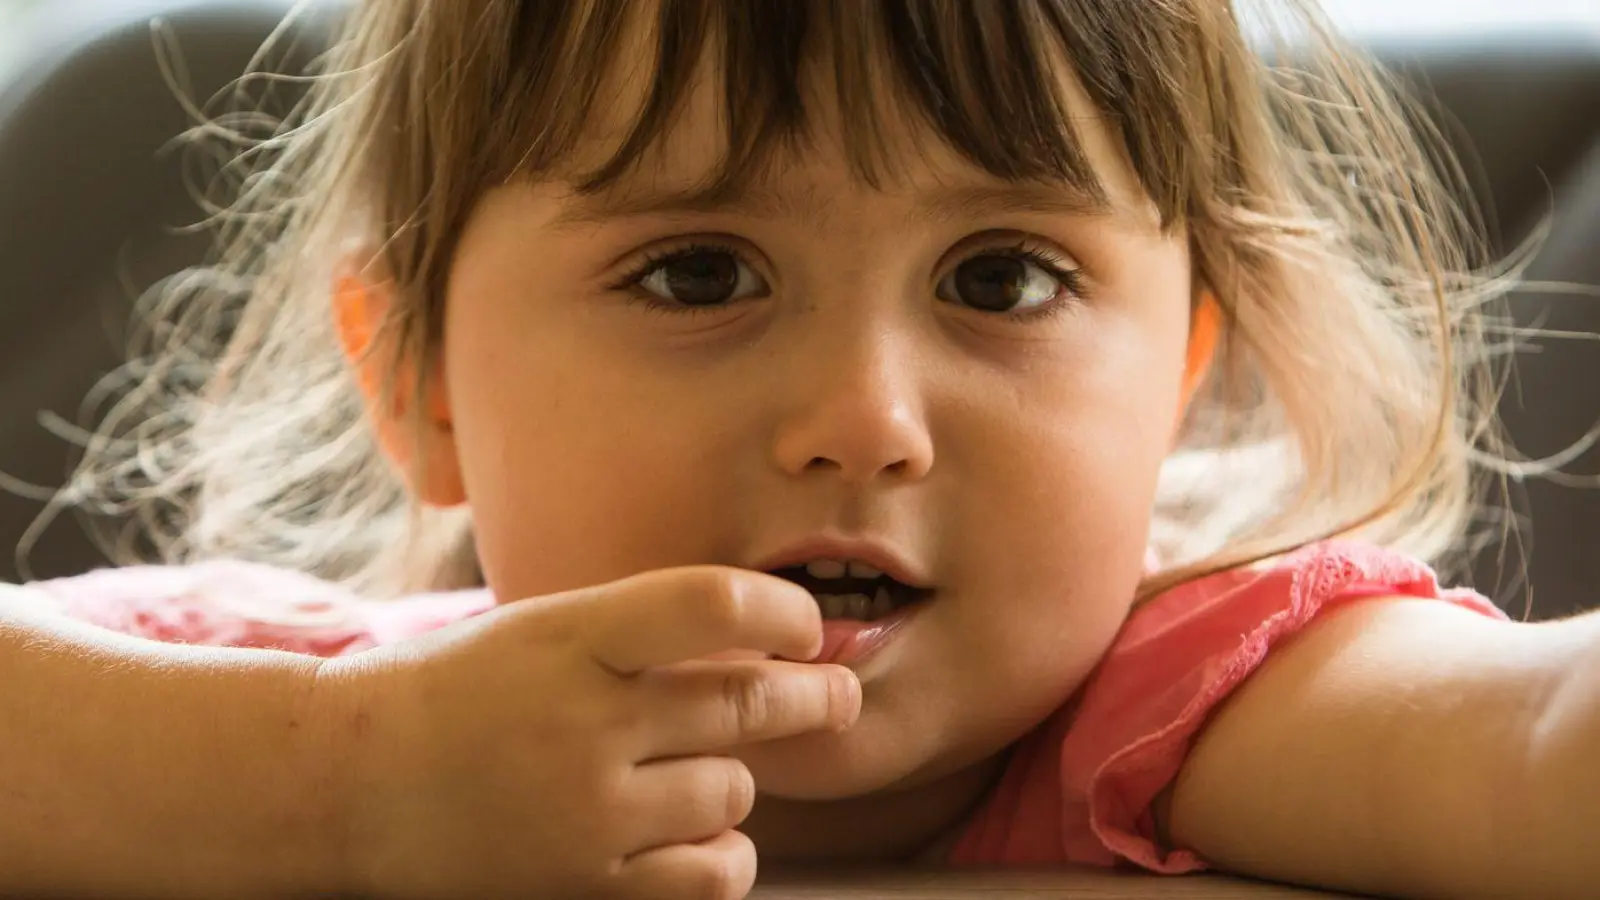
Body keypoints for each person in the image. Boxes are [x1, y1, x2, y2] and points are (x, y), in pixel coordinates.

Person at [0, 1, 1594, 898]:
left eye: (1003, 279)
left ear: (1183, 377)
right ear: (417, 383)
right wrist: (334, 782)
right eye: (699, 273)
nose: (863, 423)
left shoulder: (1190, 711)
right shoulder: (314, 685)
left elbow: (1532, 751)